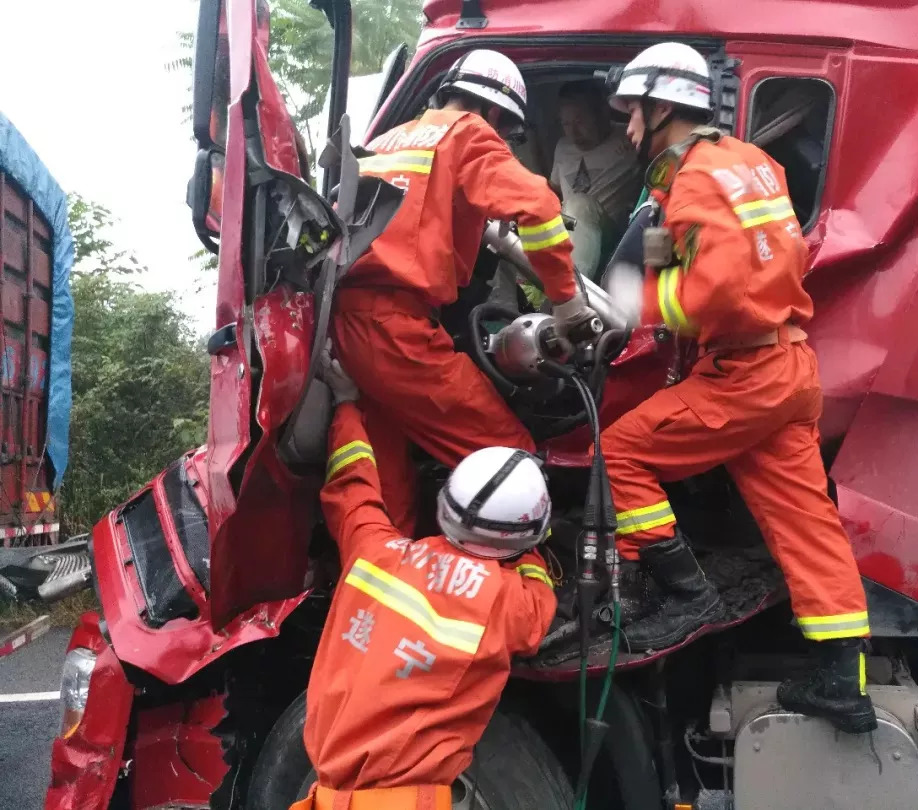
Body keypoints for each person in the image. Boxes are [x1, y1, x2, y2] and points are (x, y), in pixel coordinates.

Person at [587, 42, 875, 734]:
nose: (627, 128)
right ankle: (848, 678)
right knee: (807, 525)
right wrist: (653, 258)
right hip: (789, 368)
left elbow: (716, 290)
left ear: (664, 109)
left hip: (745, 371)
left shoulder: (696, 181)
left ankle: (683, 593)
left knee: (622, 450)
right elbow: (755, 255)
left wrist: (640, 306)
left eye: (633, 114)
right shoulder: (750, 163)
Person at [333, 49, 596, 536]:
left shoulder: (387, 139)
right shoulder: (468, 133)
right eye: (505, 133)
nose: (502, 142)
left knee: (388, 477)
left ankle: (402, 573)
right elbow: (538, 208)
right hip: (397, 330)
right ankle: (528, 583)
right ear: (494, 113)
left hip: (350, 327)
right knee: (511, 455)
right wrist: (565, 303)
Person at [293, 346, 557, 810]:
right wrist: (533, 552)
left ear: (445, 504)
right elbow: (539, 599)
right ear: (519, 539)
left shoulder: (373, 550)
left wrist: (347, 403)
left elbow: (352, 482)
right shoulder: (510, 601)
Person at [548, 81, 641, 280]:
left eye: (580, 121)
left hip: (612, 239)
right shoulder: (562, 147)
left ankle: (573, 292)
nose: (573, 132)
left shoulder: (629, 138)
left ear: (603, 115)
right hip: (568, 236)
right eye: (566, 124)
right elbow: (553, 189)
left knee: (580, 203)